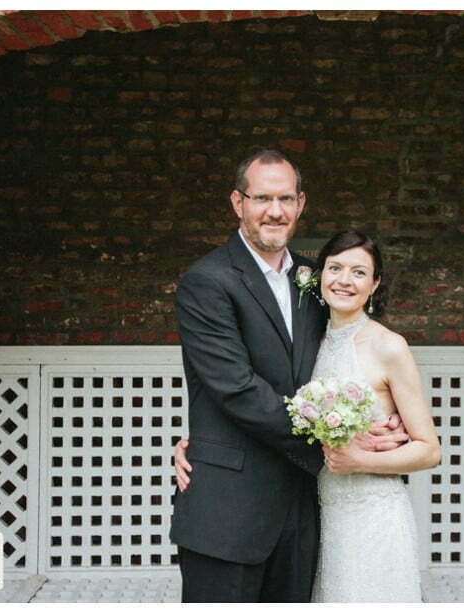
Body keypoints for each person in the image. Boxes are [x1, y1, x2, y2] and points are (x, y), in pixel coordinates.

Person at [169, 150, 408, 603]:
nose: (274, 211)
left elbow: (343, 357)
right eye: (261, 198)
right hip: (229, 509)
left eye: (284, 199)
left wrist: (384, 417)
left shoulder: (315, 279)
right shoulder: (207, 281)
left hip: (304, 509)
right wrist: (335, 439)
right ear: (237, 203)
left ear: (301, 204)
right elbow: (235, 388)